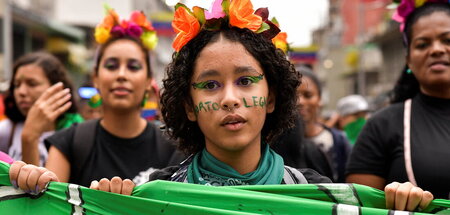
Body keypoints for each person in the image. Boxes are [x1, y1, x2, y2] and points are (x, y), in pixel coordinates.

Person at [10, 0, 433, 211]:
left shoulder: (317, 196)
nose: (230, 98)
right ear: (189, 106)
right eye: (209, 85)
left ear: (271, 97)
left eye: (246, 81)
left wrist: (400, 208)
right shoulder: (153, 194)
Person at [19, 8, 183, 187]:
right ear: (95, 78)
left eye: (133, 67)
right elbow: (47, 203)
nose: (121, 75)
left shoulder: (172, 146)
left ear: (148, 80)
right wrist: (29, 138)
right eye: (111, 66)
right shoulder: (70, 141)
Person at [347, 1, 450, 199]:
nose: (437, 49)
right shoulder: (382, 126)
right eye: (422, 44)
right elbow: (357, 207)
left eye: (447, 40)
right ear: (409, 60)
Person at [0, 52, 82, 166]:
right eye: (17, 85)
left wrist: (30, 136)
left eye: (32, 84)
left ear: (57, 88)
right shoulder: (7, 130)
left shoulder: (76, 133)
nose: (21, 92)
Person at [297, 67, 352, 183]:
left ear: (320, 99)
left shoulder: (338, 141)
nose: (300, 102)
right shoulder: (273, 142)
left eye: (308, 95)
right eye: (293, 95)